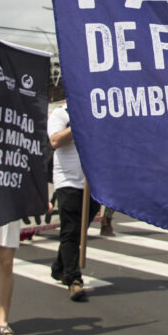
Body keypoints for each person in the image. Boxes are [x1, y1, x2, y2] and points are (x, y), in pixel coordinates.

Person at [48, 101, 101, 301]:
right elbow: (55, 141)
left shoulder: (94, 112)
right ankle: (74, 279)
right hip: (68, 181)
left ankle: (59, 266)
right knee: (70, 230)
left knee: (79, 231)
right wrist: (78, 124)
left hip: (91, 181)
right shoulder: (60, 115)